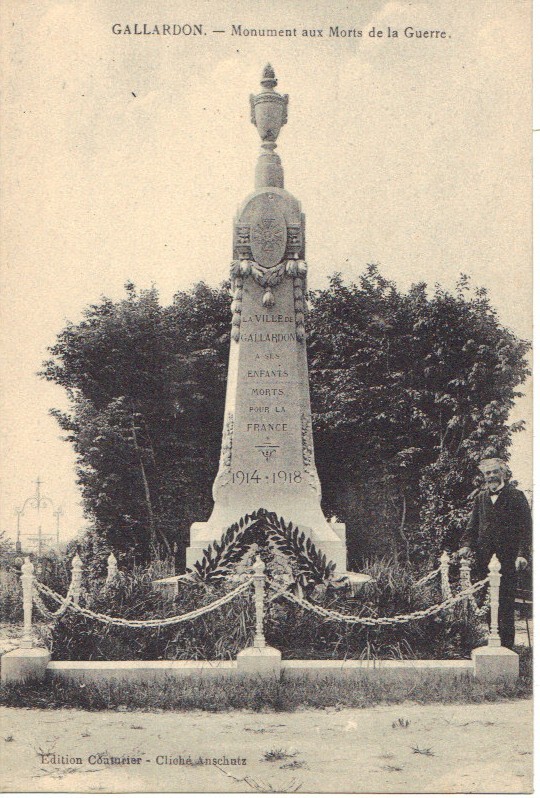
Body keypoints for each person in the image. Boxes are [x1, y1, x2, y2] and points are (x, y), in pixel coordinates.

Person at [459, 456, 532, 648]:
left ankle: (507, 648)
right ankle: (491, 643)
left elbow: (526, 528)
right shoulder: (481, 498)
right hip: (484, 559)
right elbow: (472, 527)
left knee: (505, 603)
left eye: (495, 472)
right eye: (487, 473)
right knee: (488, 602)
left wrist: (522, 554)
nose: (491, 476)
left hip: (508, 560)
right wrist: (466, 545)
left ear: (504, 474)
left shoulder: (516, 496)